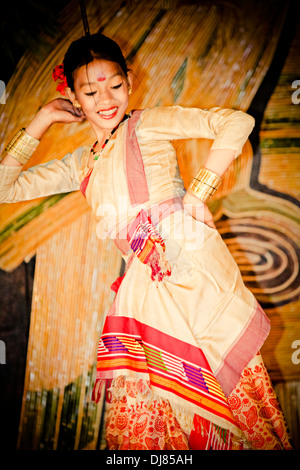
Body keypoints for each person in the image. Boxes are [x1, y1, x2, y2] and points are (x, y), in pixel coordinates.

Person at [0, 32, 293, 450]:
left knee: (227, 392)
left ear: (130, 82)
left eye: (115, 85)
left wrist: (196, 196)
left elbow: (236, 122)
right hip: (144, 283)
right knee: (155, 414)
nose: (105, 99)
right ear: (72, 97)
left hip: (188, 270)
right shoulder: (80, 163)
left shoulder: (148, 123)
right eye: (89, 90)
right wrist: (43, 118)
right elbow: (3, 187)